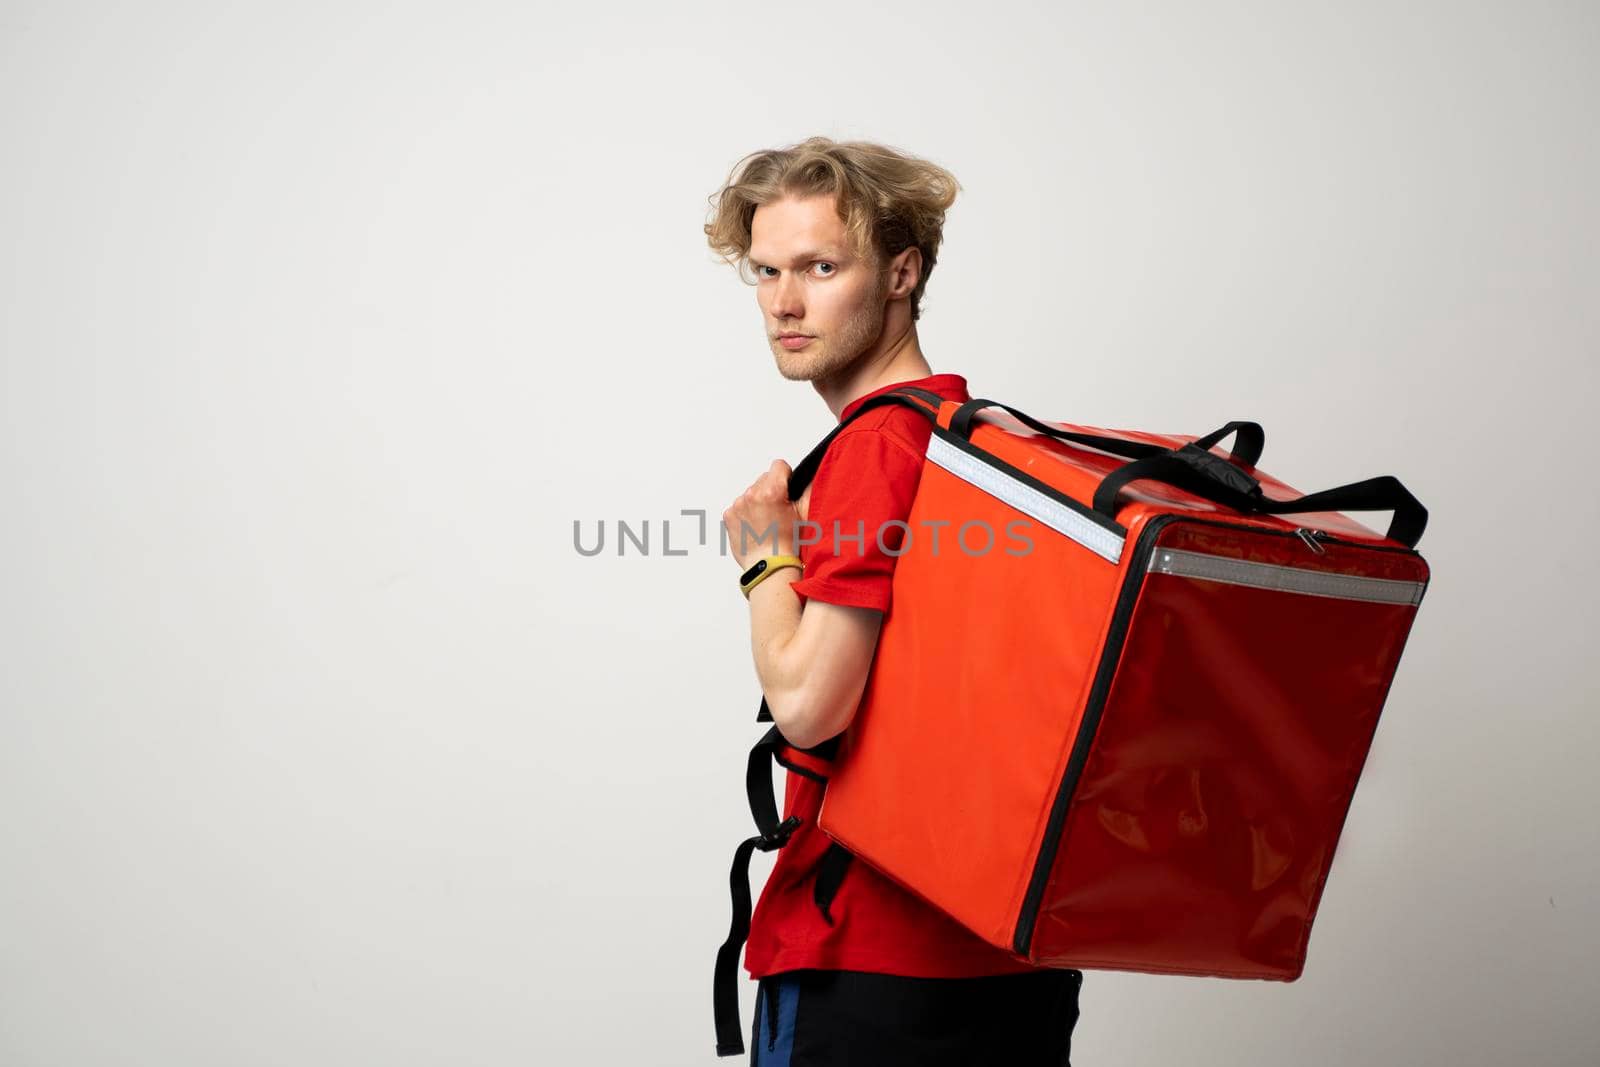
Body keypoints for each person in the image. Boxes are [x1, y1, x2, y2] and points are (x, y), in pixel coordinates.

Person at [705, 137, 1083, 1065]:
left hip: (865, 958)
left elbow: (809, 703)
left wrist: (763, 563)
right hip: (1007, 952)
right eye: (768, 271)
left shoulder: (878, 449)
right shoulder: (972, 437)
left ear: (903, 271)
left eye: (822, 267)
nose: (785, 303)